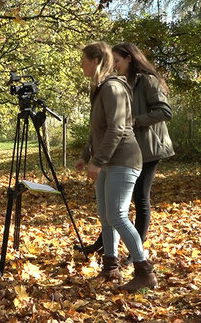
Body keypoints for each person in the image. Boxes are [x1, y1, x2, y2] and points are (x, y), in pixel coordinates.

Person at [77, 42, 174, 263]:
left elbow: (118, 127)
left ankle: (141, 263)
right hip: (113, 156)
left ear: (96, 61)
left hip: (132, 153)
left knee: (125, 209)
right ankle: (110, 266)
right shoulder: (103, 87)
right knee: (108, 215)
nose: (81, 65)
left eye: (84, 61)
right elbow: (98, 129)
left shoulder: (118, 86)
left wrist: (98, 161)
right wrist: (86, 155)